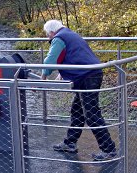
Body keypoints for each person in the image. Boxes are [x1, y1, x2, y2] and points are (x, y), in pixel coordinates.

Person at [41, 19, 116, 161]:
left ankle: (109, 150)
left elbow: (50, 60)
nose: (48, 38)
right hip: (89, 74)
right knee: (77, 111)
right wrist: (61, 73)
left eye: (47, 35)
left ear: (51, 32)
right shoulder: (70, 34)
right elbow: (73, 55)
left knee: (92, 114)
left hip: (87, 77)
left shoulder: (59, 38)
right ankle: (70, 143)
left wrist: (42, 78)